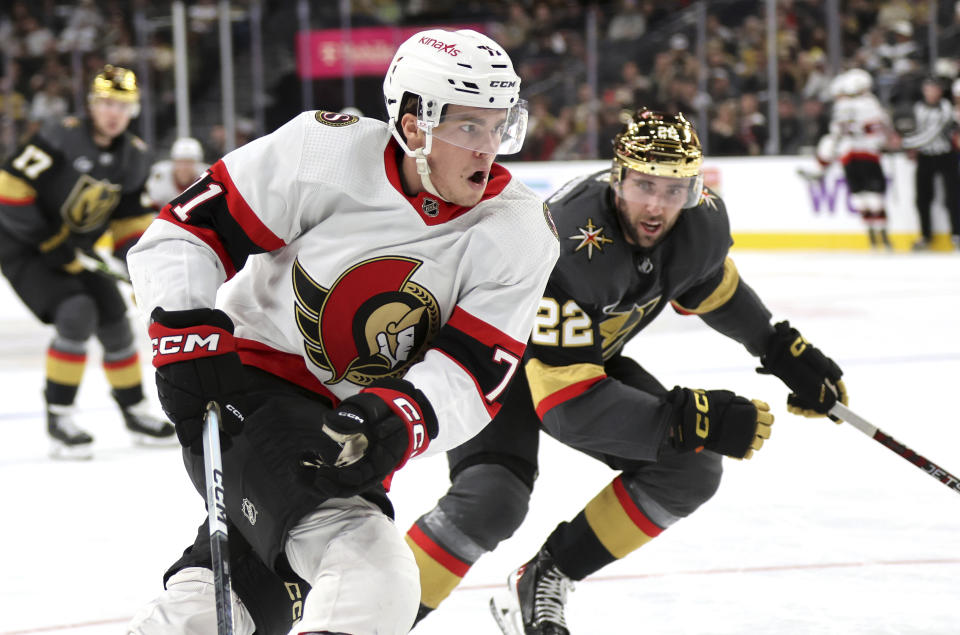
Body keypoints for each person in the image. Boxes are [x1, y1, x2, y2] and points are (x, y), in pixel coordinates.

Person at [125, 28, 559, 635]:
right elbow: (184, 233)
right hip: (248, 388)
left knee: (226, 606)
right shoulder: (323, 151)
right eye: (468, 127)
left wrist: (394, 419)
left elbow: (474, 374)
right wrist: (189, 332)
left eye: (499, 126)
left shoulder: (518, 230)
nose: (488, 148)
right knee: (372, 573)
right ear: (413, 125)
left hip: (349, 435)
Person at [404, 109, 848, 634]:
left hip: (578, 358)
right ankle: (369, 620)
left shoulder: (700, 221)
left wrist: (778, 348)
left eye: (674, 189)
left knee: (691, 469)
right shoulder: (566, 243)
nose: (657, 206)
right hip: (495, 364)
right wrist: (690, 420)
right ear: (617, 177)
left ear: (695, 188)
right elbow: (567, 408)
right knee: (491, 501)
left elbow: (712, 289)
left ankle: (544, 577)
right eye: (643, 185)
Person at [0, 65, 175, 459]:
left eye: (123, 105)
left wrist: (139, 264)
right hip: (21, 243)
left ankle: (135, 411)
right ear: (93, 105)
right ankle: (60, 418)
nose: (113, 112)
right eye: (107, 103)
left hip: (72, 247)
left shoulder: (134, 156)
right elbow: (8, 188)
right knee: (76, 312)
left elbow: (129, 220)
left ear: (133, 109)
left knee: (114, 318)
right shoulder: (60, 135)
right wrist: (47, 240)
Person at [821, 68, 898, 250]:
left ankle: (872, 234)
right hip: (868, 153)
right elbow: (881, 129)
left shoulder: (842, 106)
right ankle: (882, 235)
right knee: (874, 195)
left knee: (860, 195)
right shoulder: (870, 104)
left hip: (849, 155)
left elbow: (836, 131)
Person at [900, 76, 960, 251]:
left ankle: (957, 234)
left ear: (940, 91)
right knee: (922, 198)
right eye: (928, 88)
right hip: (925, 156)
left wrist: (905, 143)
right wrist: (911, 145)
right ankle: (925, 236)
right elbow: (918, 130)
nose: (932, 92)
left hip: (945, 156)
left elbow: (931, 134)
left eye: (935, 89)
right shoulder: (919, 108)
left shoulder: (946, 109)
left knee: (953, 197)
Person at [144, 136, 207, 210]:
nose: (184, 168)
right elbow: (149, 206)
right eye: (180, 162)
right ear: (173, 162)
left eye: (189, 162)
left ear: (197, 164)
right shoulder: (160, 174)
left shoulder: (207, 176)